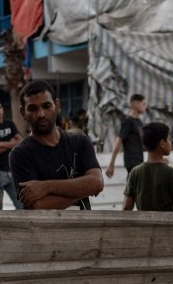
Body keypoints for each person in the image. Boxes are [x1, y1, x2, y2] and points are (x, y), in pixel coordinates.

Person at [9, 80, 104, 210]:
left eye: (46, 106)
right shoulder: (20, 154)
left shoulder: (80, 142)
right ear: (23, 113)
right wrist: (83, 189)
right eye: (33, 108)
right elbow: (37, 206)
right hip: (45, 229)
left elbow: (97, 183)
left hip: (84, 228)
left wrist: (46, 187)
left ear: (57, 105)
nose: (41, 114)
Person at [122, 122, 173, 213]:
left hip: (144, 226)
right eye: (168, 139)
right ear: (162, 143)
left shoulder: (135, 172)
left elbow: (127, 207)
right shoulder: (172, 173)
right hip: (167, 226)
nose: (170, 142)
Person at [105, 94, 147, 179]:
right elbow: (118, 141)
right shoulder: (128, 121)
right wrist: (111, 164)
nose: (145, 107)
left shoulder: (139, 122)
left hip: (140, 162)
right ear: (135, 104)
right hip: (132, 163)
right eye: (143, 104)